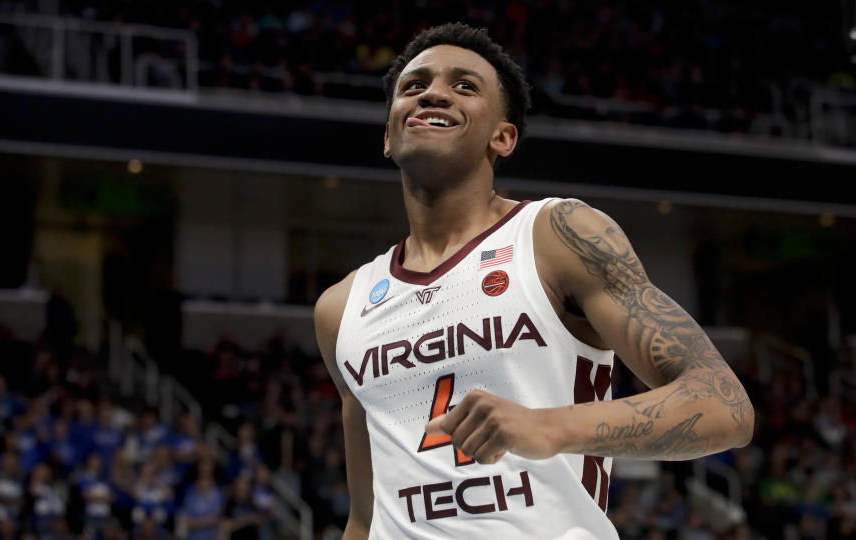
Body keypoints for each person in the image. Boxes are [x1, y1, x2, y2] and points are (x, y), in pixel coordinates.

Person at [313, 22, 755, 539]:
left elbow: (722, 406)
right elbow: (364, 519)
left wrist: (547, 427)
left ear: (503, 136)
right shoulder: (340, 308)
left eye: (464, 86)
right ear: (389, 135)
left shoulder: (558, 236)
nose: (432, 92)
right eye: (414, 86)